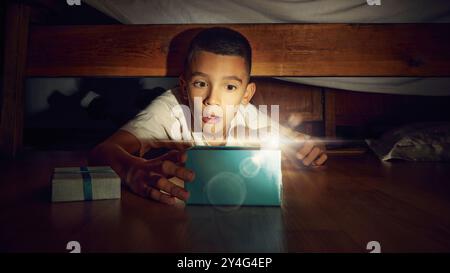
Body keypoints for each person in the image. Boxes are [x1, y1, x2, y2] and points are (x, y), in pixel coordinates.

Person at [89, 27, 327, 205]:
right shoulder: (170, 109)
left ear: (246, 94)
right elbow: (102, 151)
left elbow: (296, 141)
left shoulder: (247, 113)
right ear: (184, 87)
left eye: (230, 87)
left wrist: (308, 149)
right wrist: (131, 169)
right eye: (201, 83)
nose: (212, 100)